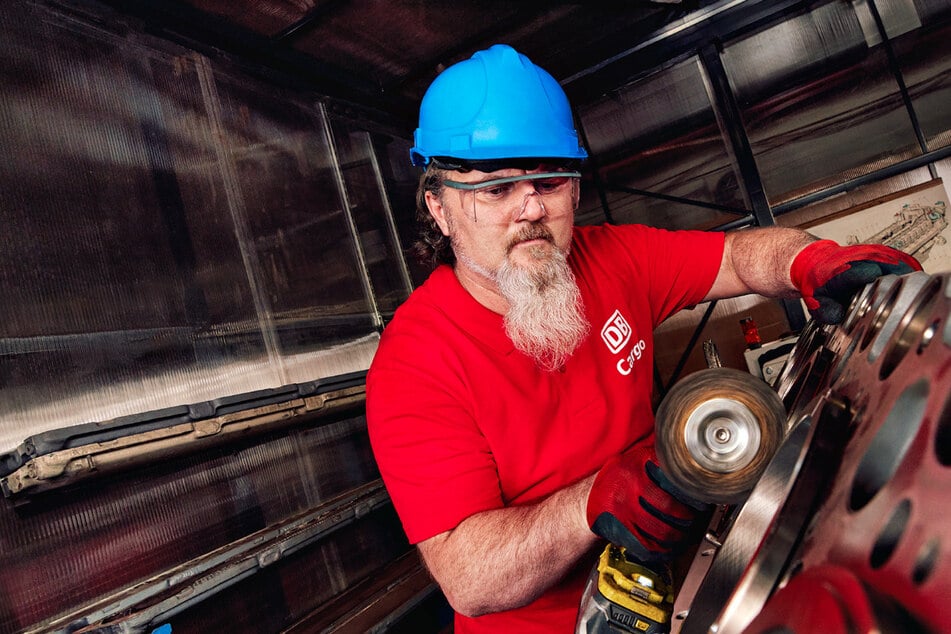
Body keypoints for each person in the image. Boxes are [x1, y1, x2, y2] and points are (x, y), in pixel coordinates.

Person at [365, 44, 920, 633]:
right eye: (495, 190)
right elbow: (470, 578)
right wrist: (591, 501)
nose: (529, 207)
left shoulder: (612, 258)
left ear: (574, 192)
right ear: (440, 208)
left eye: (549, 180)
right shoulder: (415, 366)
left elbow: (738, 256)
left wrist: (813, 260)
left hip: (665, 598)